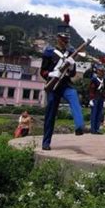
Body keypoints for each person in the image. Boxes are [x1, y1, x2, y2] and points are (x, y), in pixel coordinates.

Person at [40, 14, 85, 151]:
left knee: (74, 97)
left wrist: (71, 66)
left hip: (65, 84)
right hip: (53, 85)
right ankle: (46, 142)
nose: (65, 41)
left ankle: (79, 126)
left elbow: (72, 74)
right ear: (58, 38)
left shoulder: (71, 53)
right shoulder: (49, 52)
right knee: (51, 114)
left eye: (67, 39)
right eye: (63, 39)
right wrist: (52, 73)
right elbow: (42, 72)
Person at [89, 63, 105, 135]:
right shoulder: (94, 79)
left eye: (102, 71)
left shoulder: (104, 80)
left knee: (99, 114)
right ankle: (93, 129)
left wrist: (104, 98)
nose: (101, 72)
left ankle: (97, 128)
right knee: (94, 113)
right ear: (97, 71)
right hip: (95, 98)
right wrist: (91, 99)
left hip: (101, 98)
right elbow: (91, 89)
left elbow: (104, 89)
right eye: (100, 70)